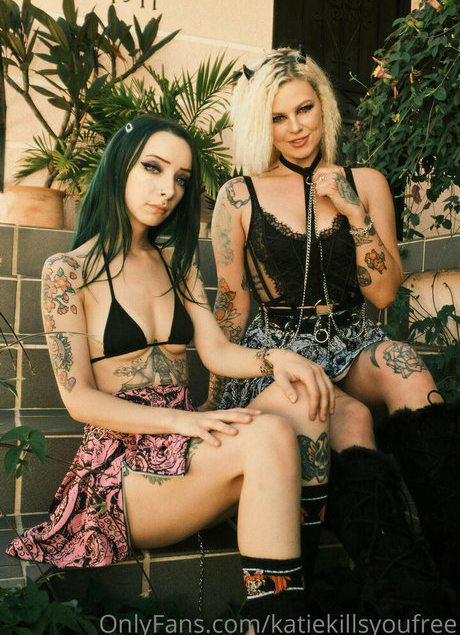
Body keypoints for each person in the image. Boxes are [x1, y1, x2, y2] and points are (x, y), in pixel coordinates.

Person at [5, 115, 336, 631]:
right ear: (120, 166)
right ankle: (280, 620)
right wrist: (183, 422)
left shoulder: (177, 263)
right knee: (269, 433)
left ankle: (291, 596)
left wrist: (279, 360)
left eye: (181, 179)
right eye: (153, 168)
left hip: (187, 445)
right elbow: (79, 400)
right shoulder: (67, 272)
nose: (168, 190)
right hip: (122, 470)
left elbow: (217, 351)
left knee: (303, 397)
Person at [203, 48, 459, 618]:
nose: (295, 128)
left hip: (351, 336)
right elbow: (232, 305)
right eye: (278, 117)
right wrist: (216, 399)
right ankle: (409, 599)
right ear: (262, 124)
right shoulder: (238, 195)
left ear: (324, 106)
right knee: (351, 416)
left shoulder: (365, 182)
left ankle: (453, 557)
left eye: (305, 109)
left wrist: (353, 213)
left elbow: (384, 295)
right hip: (280, 347)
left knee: (404, 364)